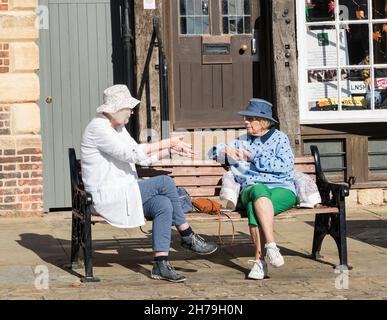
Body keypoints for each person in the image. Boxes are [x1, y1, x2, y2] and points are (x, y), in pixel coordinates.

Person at [81, 84, 217, 283]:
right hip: (108, 196)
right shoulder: (98, 128)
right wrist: (168, 142)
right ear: (116, 109)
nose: (132, 111)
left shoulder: (117, 128)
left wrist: (170, 151)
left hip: (125, 192)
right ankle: (187, 235)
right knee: (164, 182)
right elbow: (131, 154)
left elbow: (140, 157)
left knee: (163, 203)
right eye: (128, 107)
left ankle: (160, 264)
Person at [210, 99, 297, 280]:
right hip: (251, 188)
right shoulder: (243, 140)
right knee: (257, 190)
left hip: (282, 188)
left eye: (250, 119)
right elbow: (211, 153)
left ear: (263, 121)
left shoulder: (280, 139)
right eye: (246, 118)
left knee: (253, 207)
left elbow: (285, 166)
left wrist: (254, 156)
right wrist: (224, 149)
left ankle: (260, 262)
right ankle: (271, 246)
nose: (245, 122)